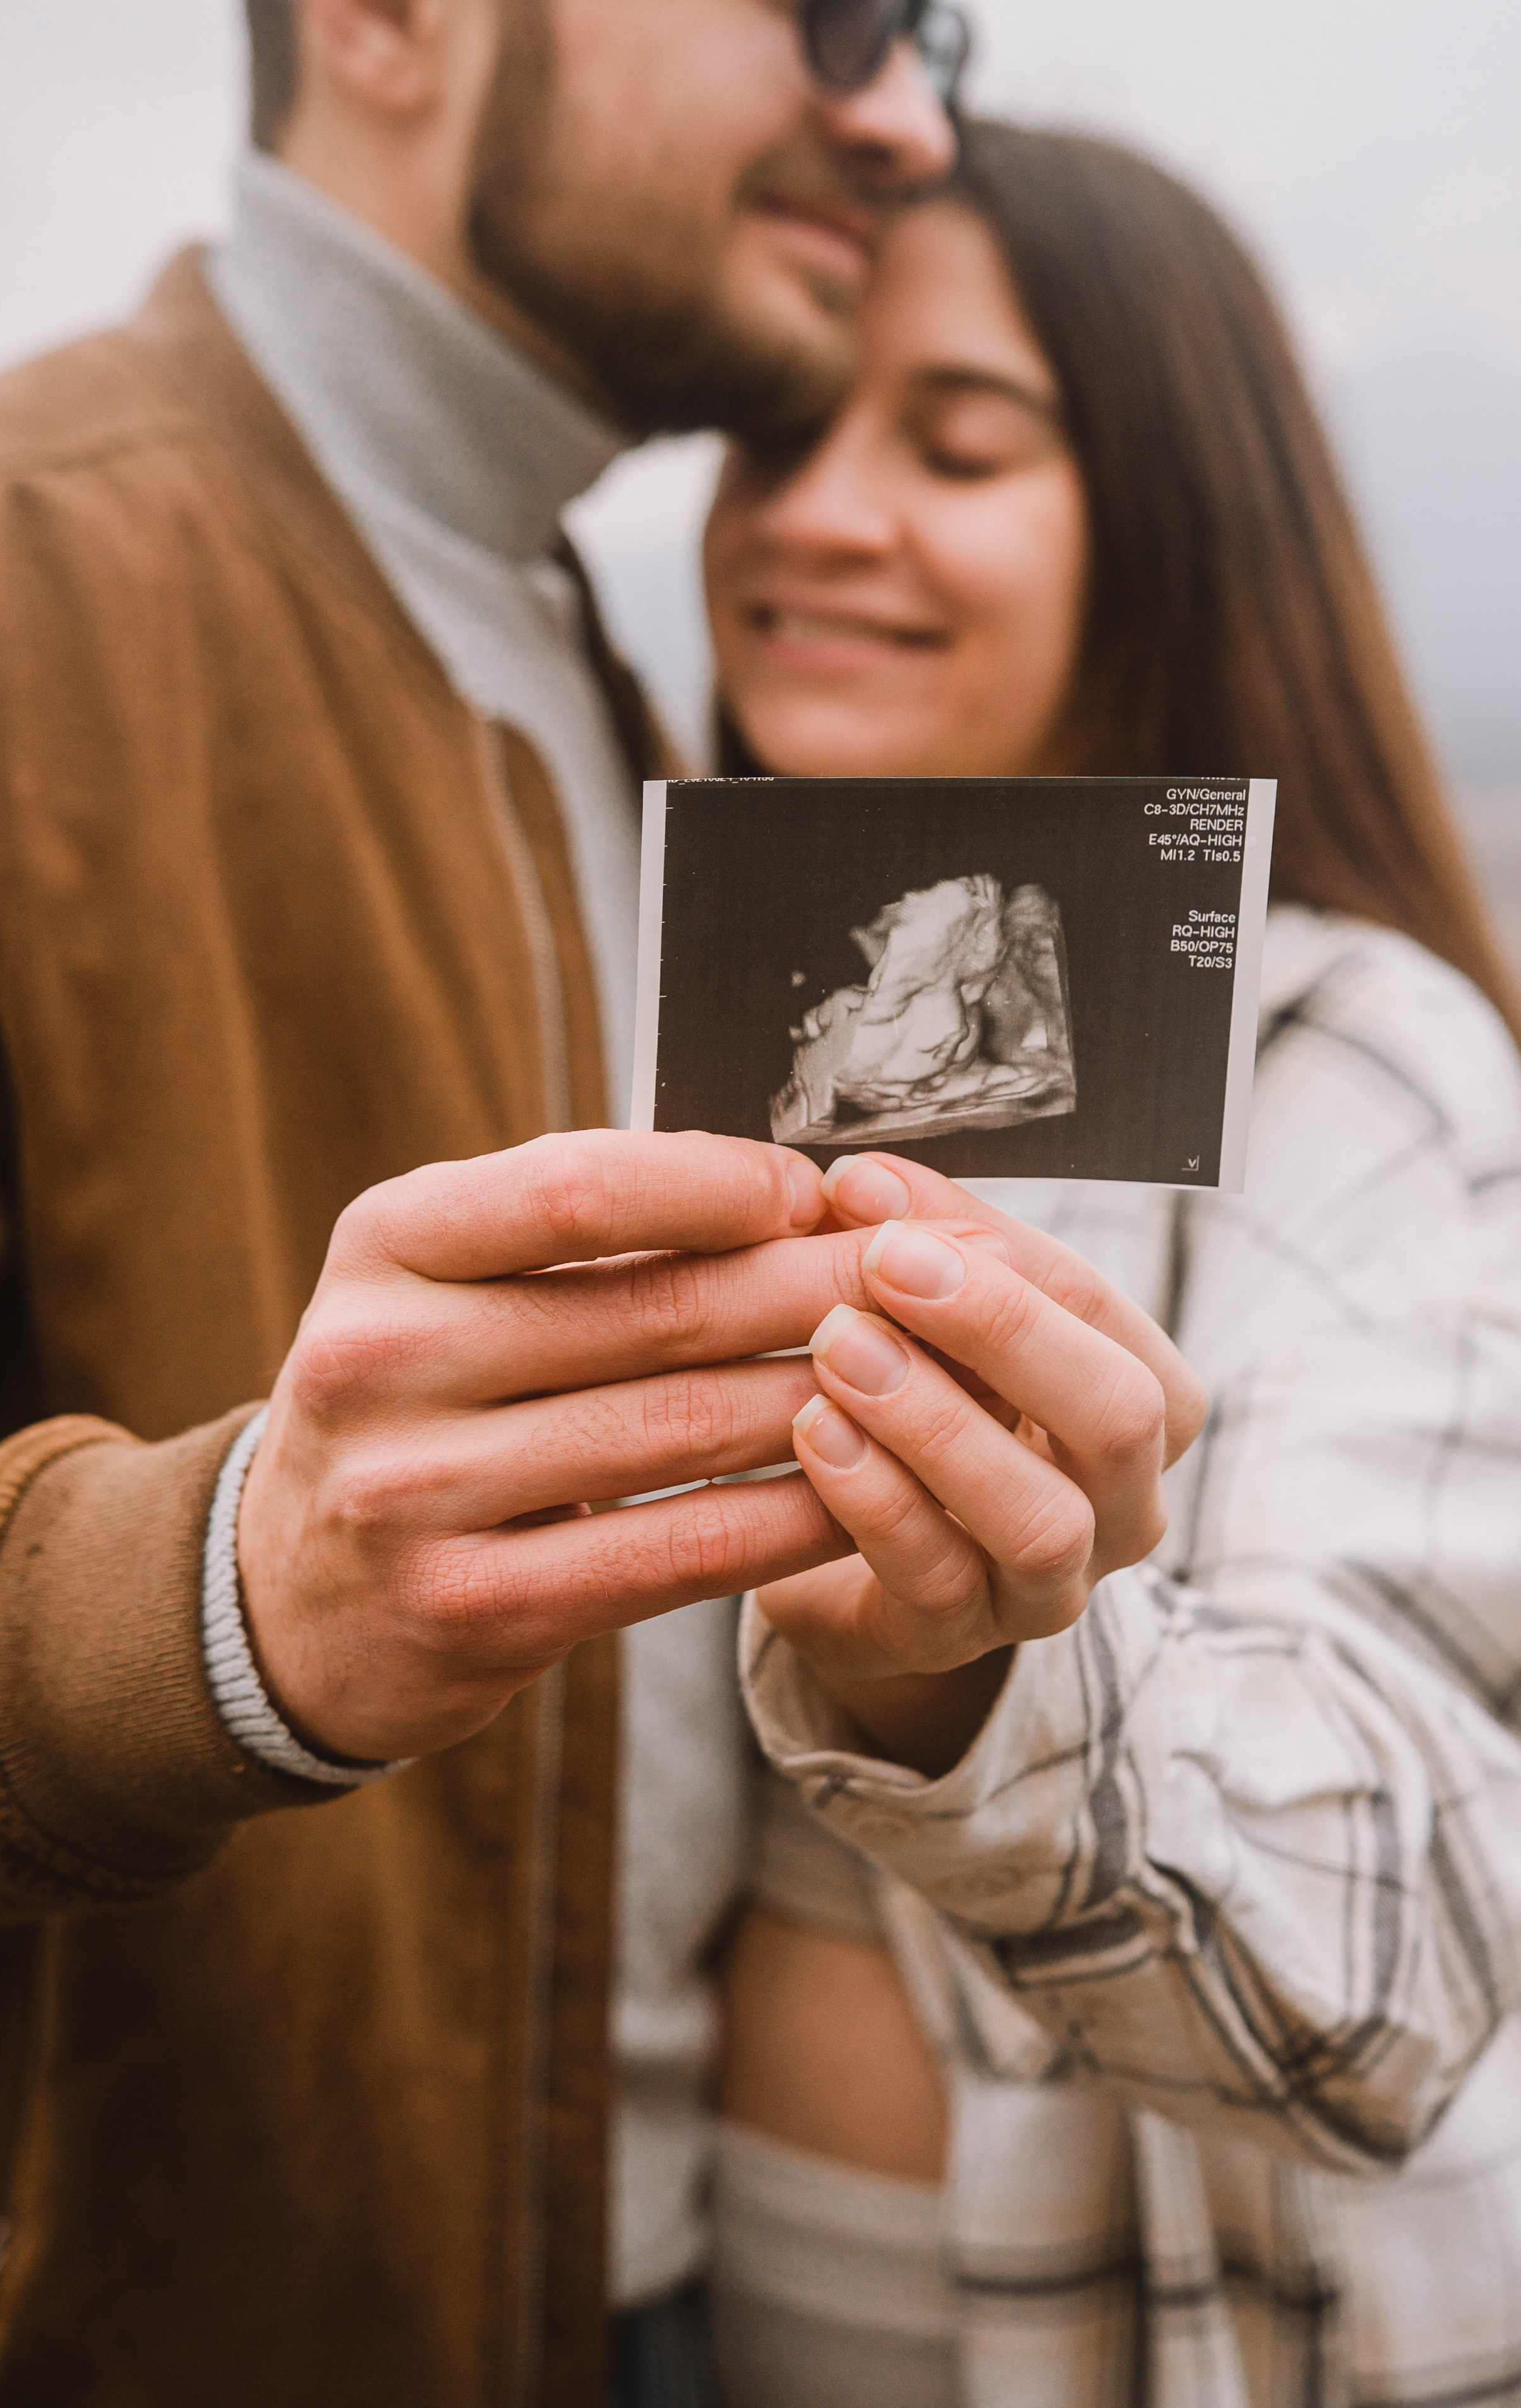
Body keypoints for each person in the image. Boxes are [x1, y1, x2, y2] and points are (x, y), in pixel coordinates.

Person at [0, 10, 1214, 2402]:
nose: (902, 112)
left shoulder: (615, 675)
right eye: (832, 12)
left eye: (926, 34)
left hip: (674, 2296)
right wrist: (225, 1602)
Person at [702, 120, 1521, 2406]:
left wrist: (961, 1682)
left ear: (1169, 523)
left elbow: (1399, 1948)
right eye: (777, 434)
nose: (817, 512)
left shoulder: (1355, 1069)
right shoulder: (648, 1046)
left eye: (957, 445)